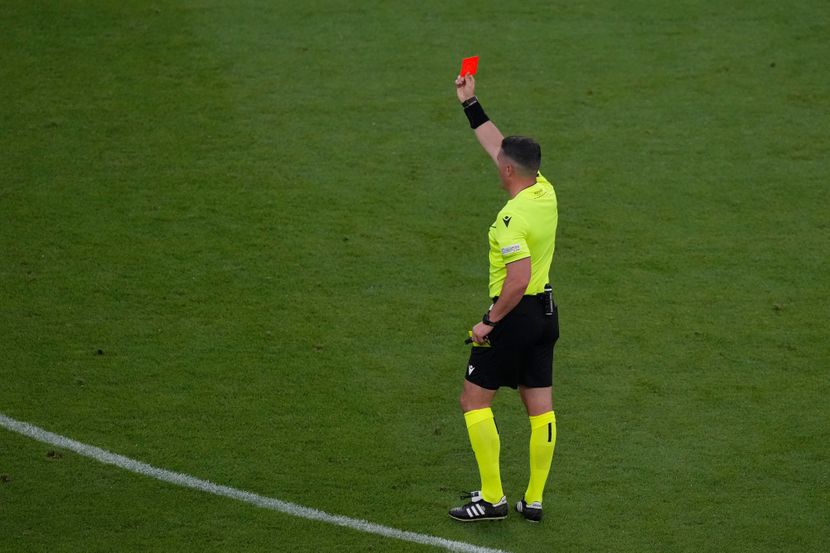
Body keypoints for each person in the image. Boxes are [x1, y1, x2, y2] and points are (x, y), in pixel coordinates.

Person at [448, 73, 560, 523]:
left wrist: (488, 322)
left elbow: (517, 280)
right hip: (546, 315)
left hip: (513, 315)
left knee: (473, 401)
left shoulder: (511, 219)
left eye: (500, 164)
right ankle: (533, 500)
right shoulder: (544, 191)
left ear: (509, 171)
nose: (497, 164)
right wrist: (470, 103)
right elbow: (498, 145)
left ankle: (492, 498)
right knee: (540, 409)